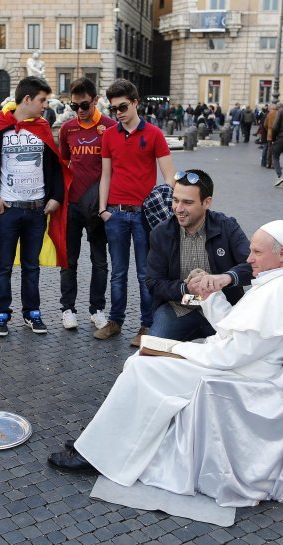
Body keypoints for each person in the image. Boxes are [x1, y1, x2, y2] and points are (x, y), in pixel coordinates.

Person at [48, 221, 283, 511]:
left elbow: (234, 354)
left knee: (143, 366)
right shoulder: (280, 283)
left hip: (238, 378)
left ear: (282, 255)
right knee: (142, 360)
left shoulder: (279, 292)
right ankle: (102, 445)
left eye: (256, 251)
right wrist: (211, 297)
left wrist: (181, 350)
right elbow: (234, 334)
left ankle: (99, 455)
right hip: (233, 364)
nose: (249, 258)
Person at [0, 76, 67, 336]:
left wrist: (55, 197)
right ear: (27, 99)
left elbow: (54, 165)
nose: (45, 105)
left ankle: (32, 313)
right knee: (4, 266)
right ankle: (1, 315)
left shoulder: (42, 127)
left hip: (36, 209)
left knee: (32, 266)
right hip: (7, 209)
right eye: (42, 100)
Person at [95, 79, 175, 346]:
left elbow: (169, 176)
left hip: (144, 215)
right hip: (115, 214)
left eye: (123, 106)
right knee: (118, 272)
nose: (118, 112)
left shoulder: (154, 134)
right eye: (114, 108)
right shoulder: (109, 135)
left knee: (145, 273)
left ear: (136, 103)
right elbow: (105, 175)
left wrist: (181, 204)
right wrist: (102, 209)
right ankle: (115, 321)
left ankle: (147, 326)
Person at [145, 169, 252, 341]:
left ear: (207, 202)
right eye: (175, 200)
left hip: (222, 308)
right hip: (179, 307)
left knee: (239, 356)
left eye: (187, 202)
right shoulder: (161, 233)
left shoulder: (227, 226)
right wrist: (186, 289)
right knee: (153, 351)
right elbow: (153, 282)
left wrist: (225, 278)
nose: (178, 209)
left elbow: (253, 266)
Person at [57, 77, 116, 330]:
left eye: (84, 105)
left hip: (98, 207)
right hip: (72, 205)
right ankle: (68, 308)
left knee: (99, 261)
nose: (79, 111)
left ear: (95, 100)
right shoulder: (67, 129)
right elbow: (63, 165)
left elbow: (115, 168)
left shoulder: (110, 127)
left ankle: (97, 309)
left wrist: (107, 204)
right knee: (69, 260)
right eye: (74, 106)